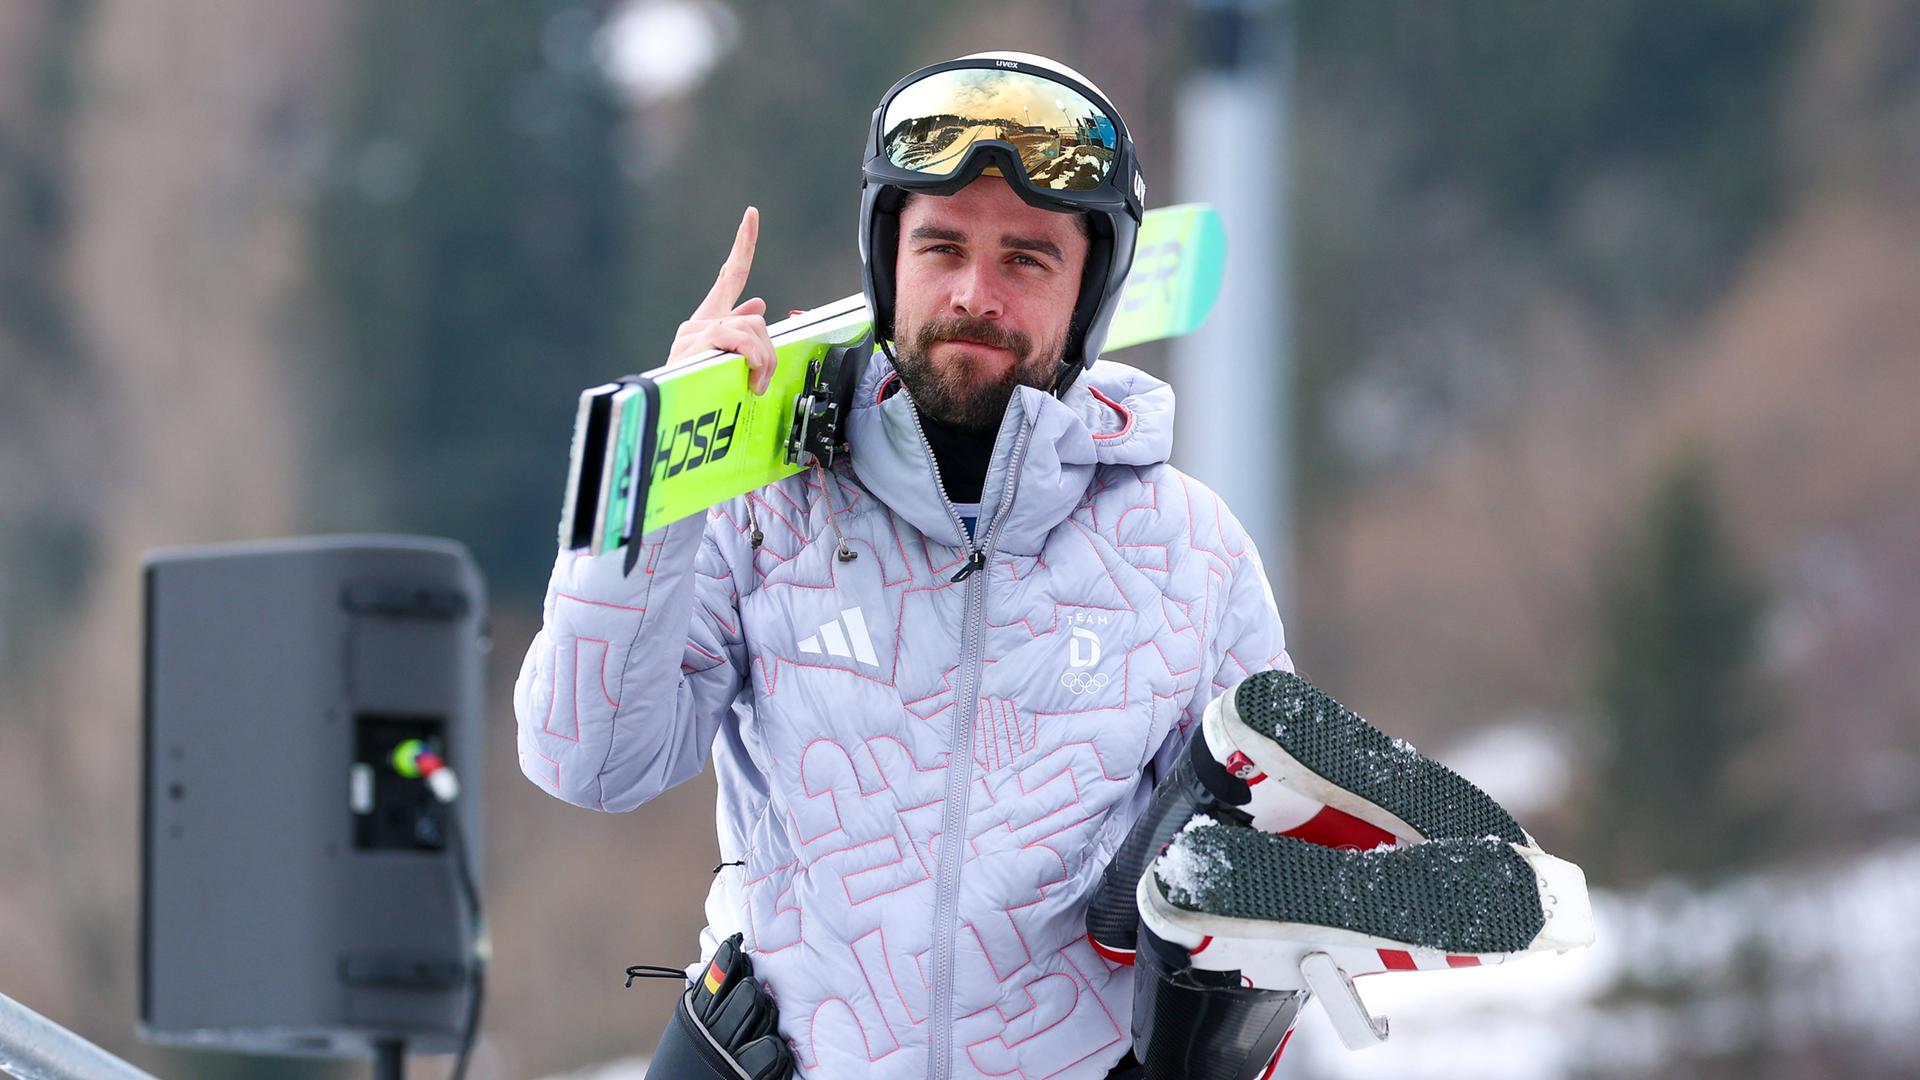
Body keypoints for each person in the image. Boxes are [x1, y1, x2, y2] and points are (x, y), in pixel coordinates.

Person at [514, 51, 1589, 1080]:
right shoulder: (767, 516)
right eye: (942, 248)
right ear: (888, 263)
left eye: (1026, 259)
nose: (976, 292)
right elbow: (588, 759)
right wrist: (660, 485)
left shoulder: (1186, 549)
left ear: (1089, 294)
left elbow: (1249, 882)